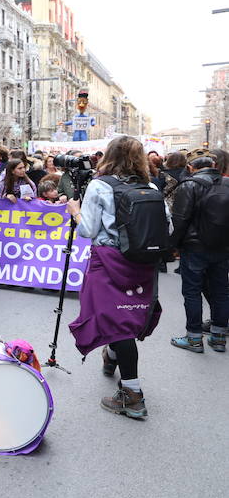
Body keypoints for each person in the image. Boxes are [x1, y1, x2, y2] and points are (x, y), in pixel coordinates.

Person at [66, 136, 167, 419]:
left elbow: (87, 230)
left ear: (109, 155)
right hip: (142, 263)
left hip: (109, 260)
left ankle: (132, 396)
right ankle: (111, 357)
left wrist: (75, 212)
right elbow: (167, 225)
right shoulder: (150, 187)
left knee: (118, 323)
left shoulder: (100, 185)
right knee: (125, 314)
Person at [169, 149, 229, 354]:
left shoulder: (189, 185)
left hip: (194, 247)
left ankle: (194, 338)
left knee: (192, 292)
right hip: (222, 247)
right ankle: (218, 337)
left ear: (191, 167)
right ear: (213, 166)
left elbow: (180, 220)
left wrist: (173, 246)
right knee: (221, 291)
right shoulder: (227, 184)